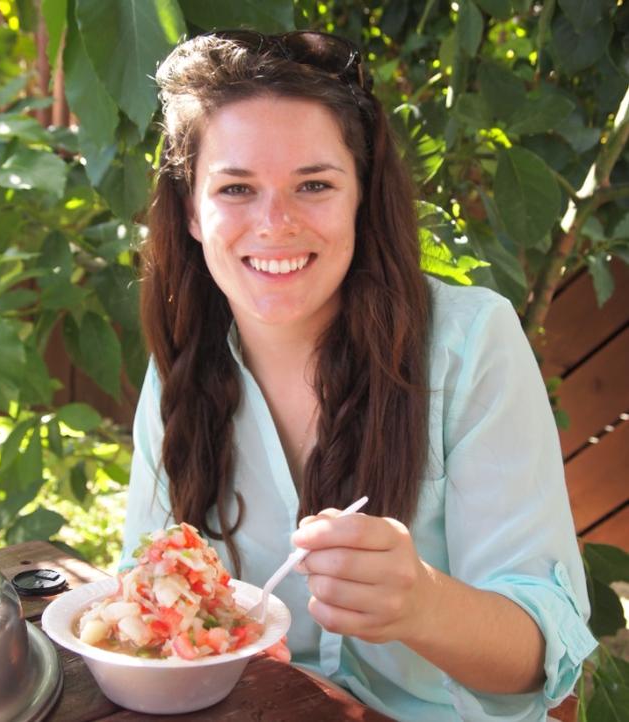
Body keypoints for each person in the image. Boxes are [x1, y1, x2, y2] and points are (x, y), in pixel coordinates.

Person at [120, 30, 597, 722]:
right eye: (236, 188)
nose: (275, 223)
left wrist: (424, 603)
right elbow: (142, 595)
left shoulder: (470, 345)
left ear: (362, 195)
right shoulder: (180, 371)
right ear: (192, 210)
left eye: (313, 184)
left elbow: (540, 662)